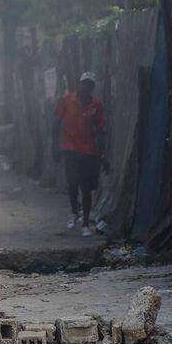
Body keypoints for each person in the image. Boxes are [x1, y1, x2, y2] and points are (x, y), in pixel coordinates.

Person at [52, 71, 109, 236]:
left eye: (90, 85)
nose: (86, 88)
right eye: (84, 84)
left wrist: (103, 155)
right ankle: (74, 211)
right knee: (72, 181)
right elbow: (55, 124)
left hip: (89, 151)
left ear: (92, 88)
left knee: (86, 187)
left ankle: (85, 224)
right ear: (80, 84)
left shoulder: (96, 106)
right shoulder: (67, 100)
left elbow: (100, 131)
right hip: (69, 148)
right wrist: (55, 148)